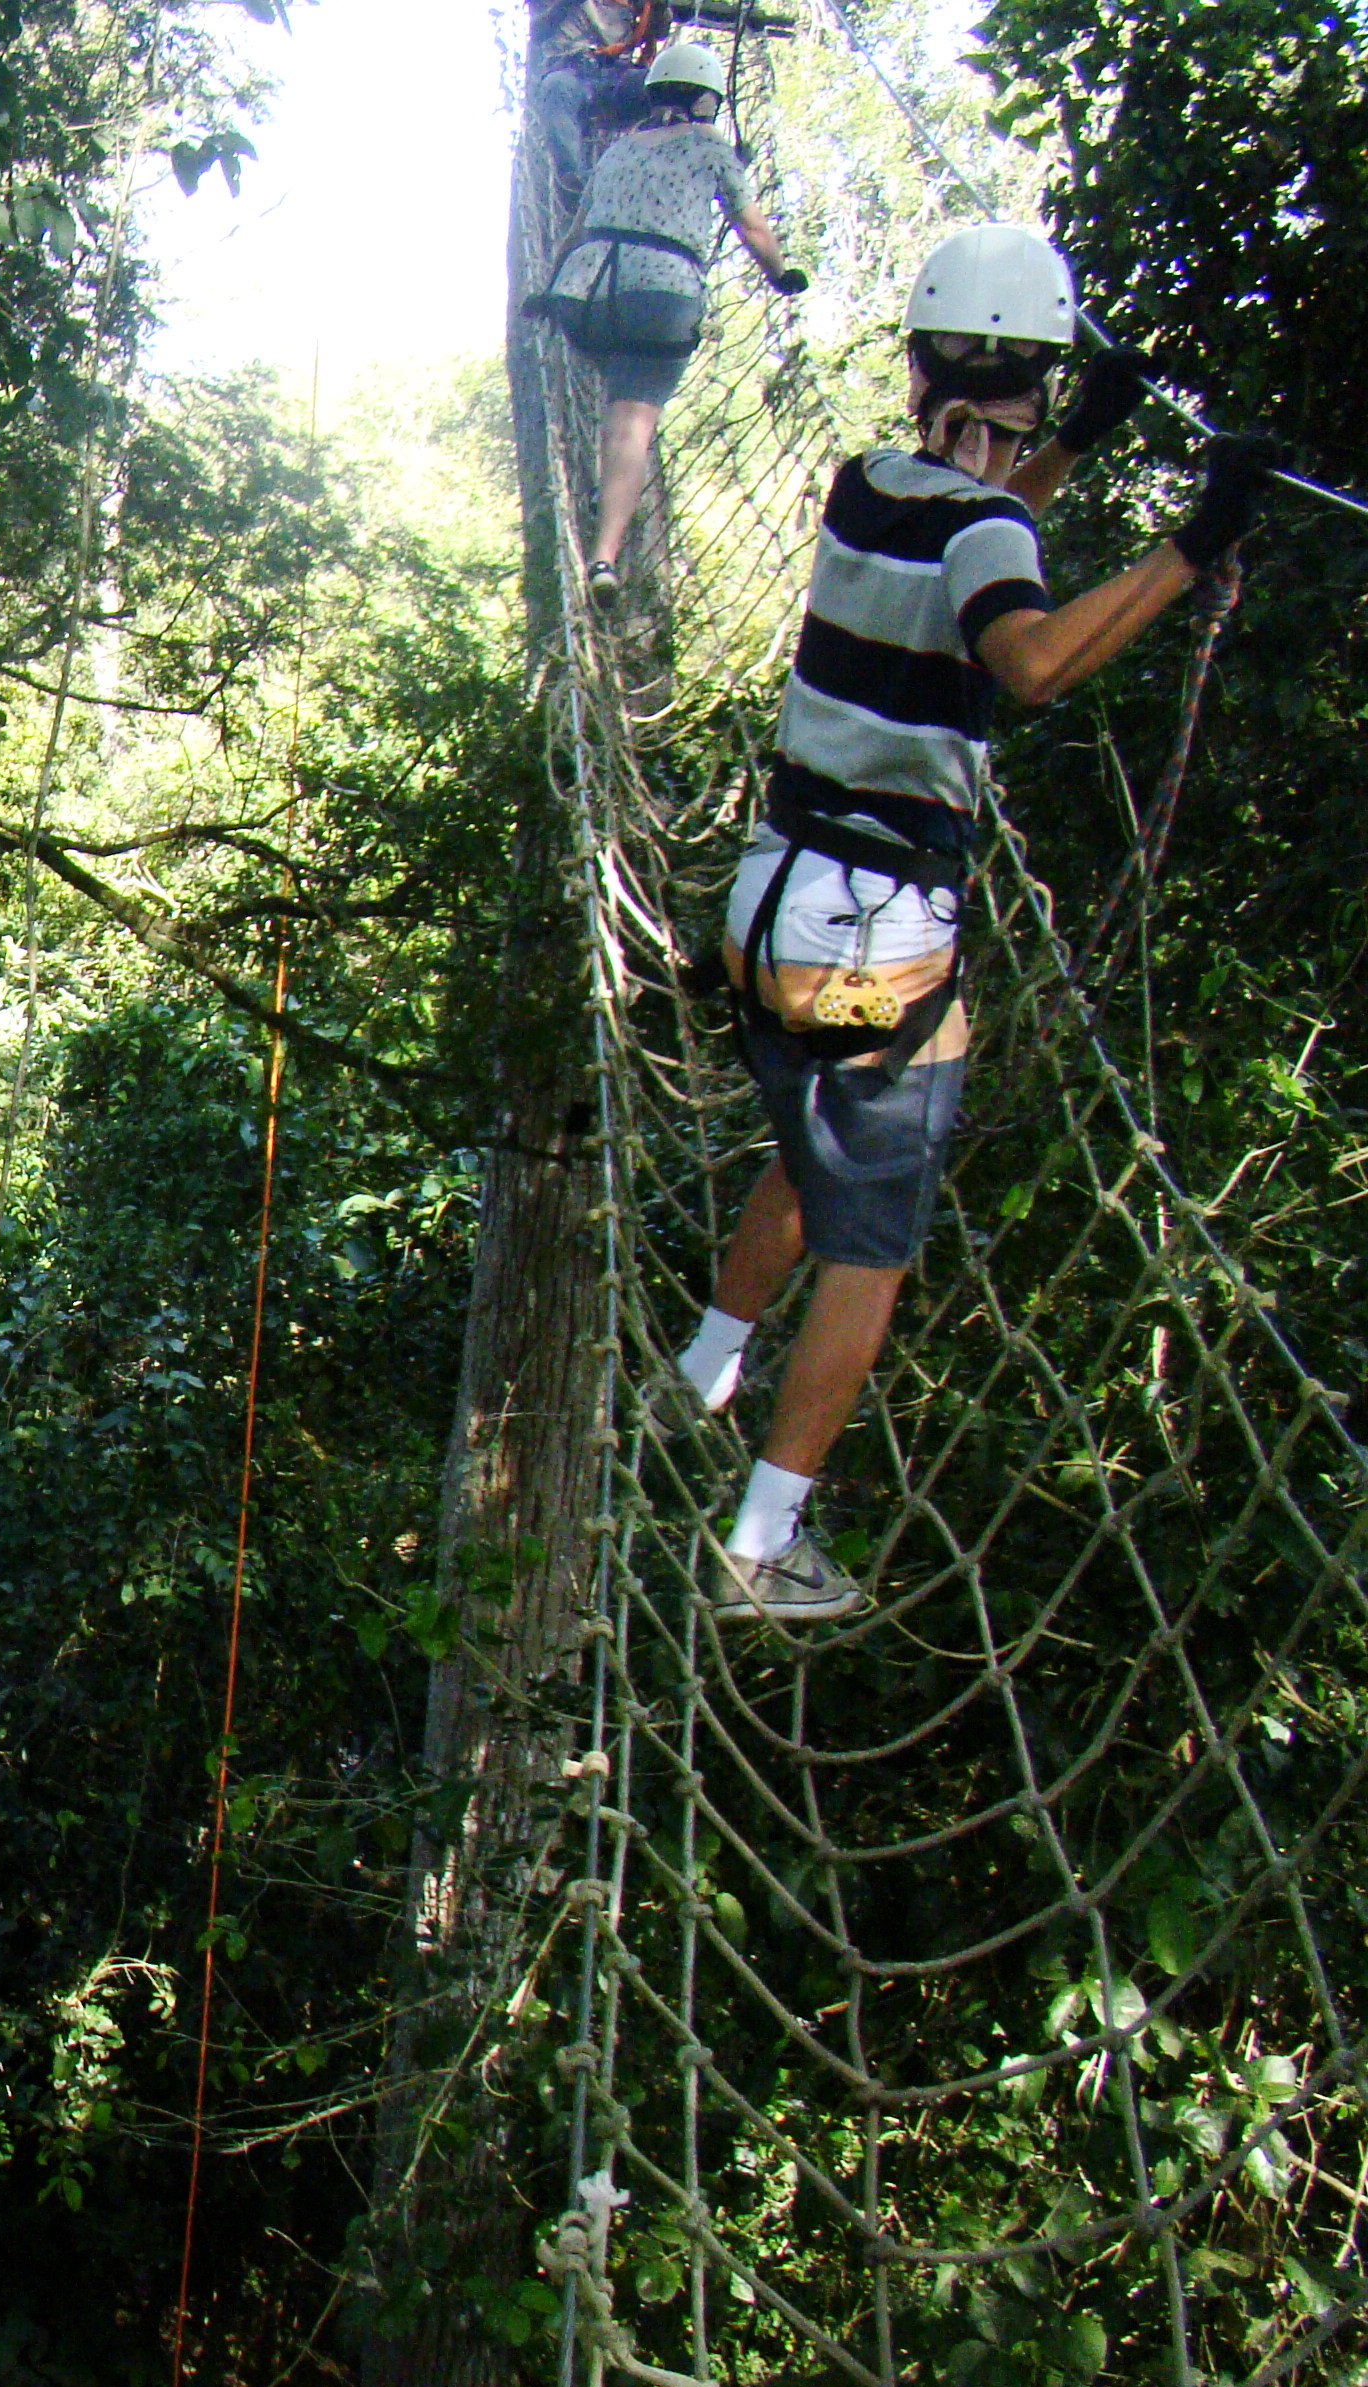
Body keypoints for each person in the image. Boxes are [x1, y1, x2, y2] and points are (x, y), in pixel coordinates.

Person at [663, 221, 1287, 1622]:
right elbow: (1033, 652)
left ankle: (701, 1367)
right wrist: (1191, 546)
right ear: (1040, 379)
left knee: (816, 1126)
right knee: (874, 1235)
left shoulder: (872, 488)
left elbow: (977, 528)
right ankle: (761, 1547)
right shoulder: (989, 531)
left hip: (771, 916)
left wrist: (1082, 449)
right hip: (863, 949)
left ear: (923, 361)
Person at [537, 38, 803, 608]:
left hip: (583, 297)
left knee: (617, 403)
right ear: (708, 100)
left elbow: (577, 229)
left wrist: (547, 290)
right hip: (658, 298)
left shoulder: (616, 151)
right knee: (633, 422)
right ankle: (604, 555)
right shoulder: (711, 145)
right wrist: (783, 273)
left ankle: (606, 486)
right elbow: (752, 228)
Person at [532, 0, 669, 197]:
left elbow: (660, 29)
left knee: (656, 84)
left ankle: (656, 169)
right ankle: (572, 175)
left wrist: (659, 8)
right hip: (569, 70)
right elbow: (538, 31)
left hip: (615, 75)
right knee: (556, 88)